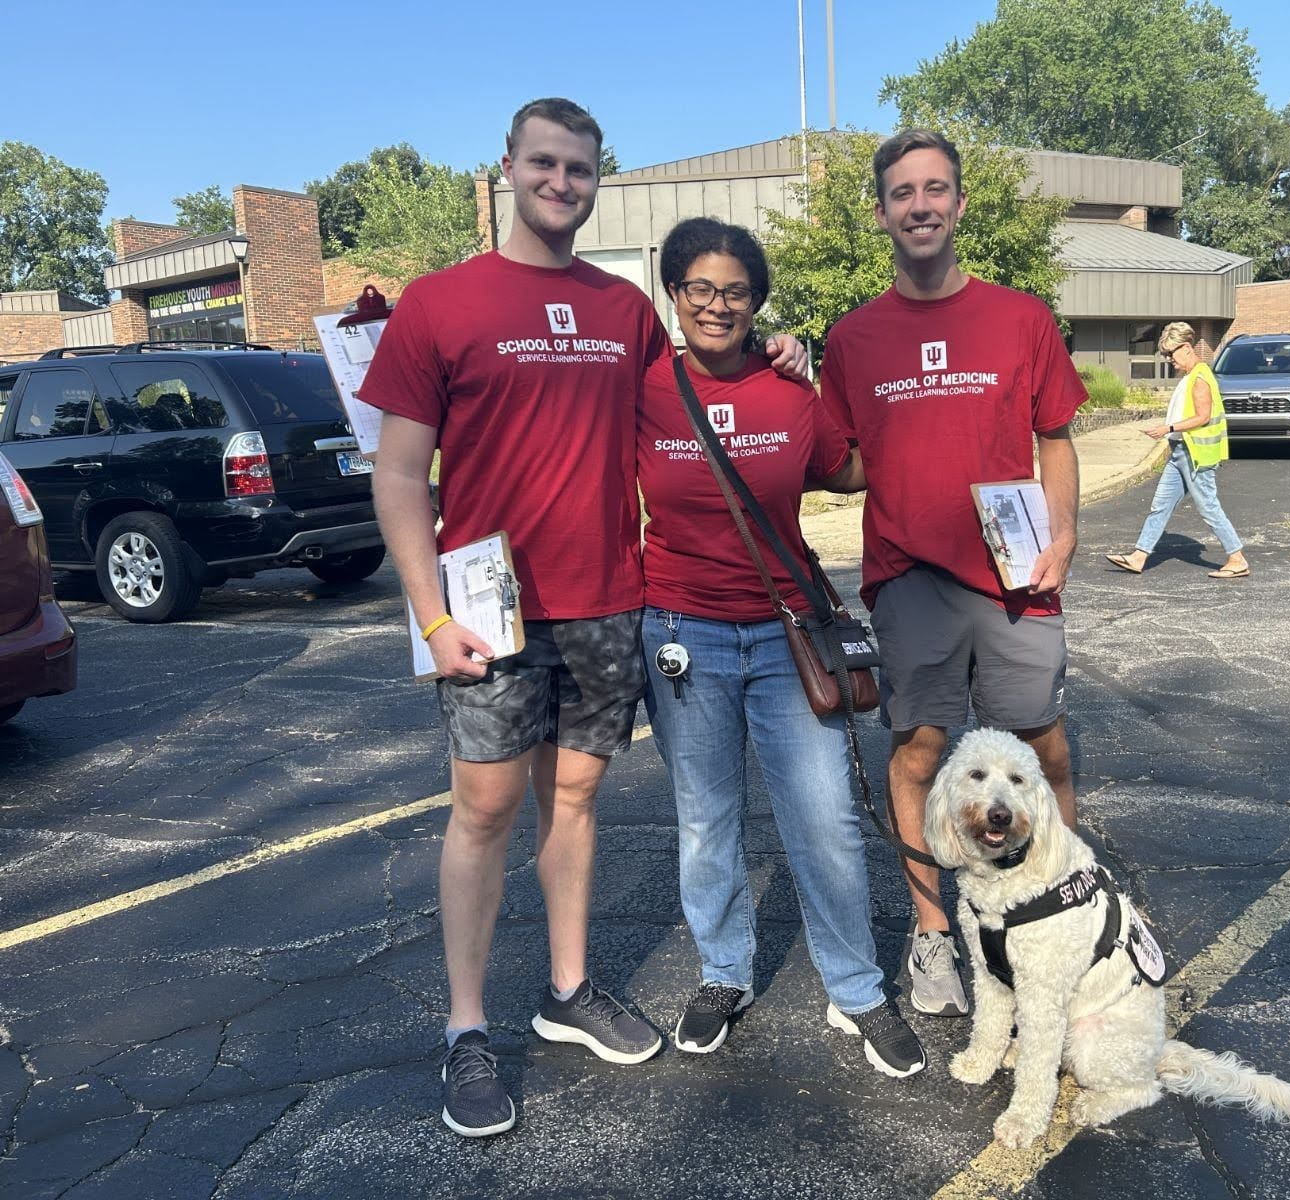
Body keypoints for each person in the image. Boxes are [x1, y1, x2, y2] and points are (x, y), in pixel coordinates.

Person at [364, 98, 809, 1138]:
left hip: (609, 597)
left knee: (575, 804)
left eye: (580, 169)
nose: (562, 182)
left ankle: (568, 991)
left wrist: (781, 361)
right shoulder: (439, 303)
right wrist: (430, 620)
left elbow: (698, 394)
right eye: (545, 164)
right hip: (486, 610)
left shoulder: (622, 311)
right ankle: (467, 1031)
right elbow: (395, 475)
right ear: (509, 167)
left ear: (597, 179)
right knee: (481, 813)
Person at [637, 217, 926, 1077]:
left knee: (826, 822)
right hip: (681, 631)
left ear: (757, 302)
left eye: (735, 291)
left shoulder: (790, 386)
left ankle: (858, 989)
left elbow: (851, 468)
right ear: (675, 294)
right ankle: (723, 976)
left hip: (785, 635)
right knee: (706, 823)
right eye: (701, 289)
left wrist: (829, 371)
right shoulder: (643, 388)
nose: (717, 305)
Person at [818, 129, 1088, 1021]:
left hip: (1015, 577)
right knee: (921, 756)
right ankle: (934, 935)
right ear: (884, 211)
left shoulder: (1019, 318)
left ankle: (1058, 916)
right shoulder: (853, 338)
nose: (921, 204)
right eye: (903, 192)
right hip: (910, 580)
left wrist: (1066, 532)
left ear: (960, 203)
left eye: (936, 189)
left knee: (1038, 748)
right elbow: (849, 461)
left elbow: (1056, 437)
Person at [1105, 321, 1248, 579]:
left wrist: (1167, 428)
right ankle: (1139, 557)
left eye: (1171, 353)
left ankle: (1236, 558)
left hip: (1195, 455)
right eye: (1166, 354)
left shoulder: (1200, 377)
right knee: (1160, 505)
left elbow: (1203, 417)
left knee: (1208, 507)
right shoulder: (1190, 377)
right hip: (1180, 454)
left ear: (1186, 348)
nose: (1169, 359)